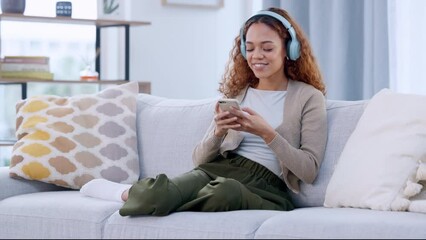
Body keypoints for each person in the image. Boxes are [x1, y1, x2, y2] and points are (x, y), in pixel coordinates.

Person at [80, 7, 327, 216]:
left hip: (266, 187)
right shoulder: (237, 94)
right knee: (154, 197)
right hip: (216, 170)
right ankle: (122, 193)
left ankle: (169, 199)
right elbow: (199, 161)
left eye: (267, 48)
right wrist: (218, 132)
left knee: (224, 192)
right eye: (250, 48)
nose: (256, 56)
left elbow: (309, 170)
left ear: (289, 50)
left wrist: (268, 134)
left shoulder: (308, 97)